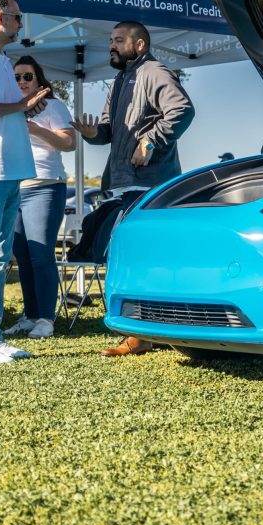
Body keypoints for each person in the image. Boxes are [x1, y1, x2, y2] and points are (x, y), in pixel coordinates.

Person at [72, 20, 194, 357]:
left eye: (118, 40)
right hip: (122, 184)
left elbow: (182, 110)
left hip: (149, 186)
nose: (111, 46)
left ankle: (142, 333)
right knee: (130, 256)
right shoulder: (120, 79)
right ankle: (144, 331)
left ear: (139, 45)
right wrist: (92, 134)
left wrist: (150, 142)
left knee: (139, 257)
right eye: (110, 40)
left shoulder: (154, 72)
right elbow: (109, 131)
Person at [0, 0, 50, 363]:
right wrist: (21, 105)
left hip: (10, 169)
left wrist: (25, 110)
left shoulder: (2, 60)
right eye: (18, 17)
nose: (21, 23)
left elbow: (3, 111)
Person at [4, 57, 75, 341]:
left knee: (41, 254)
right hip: (14, 188)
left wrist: (34, 128)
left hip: (45, 186)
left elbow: (69, 142)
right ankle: (31, 315)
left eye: (27, 76)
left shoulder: (52, 106)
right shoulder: (9, 109)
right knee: (22, 256)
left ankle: (46, 318)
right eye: (16, 77)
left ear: (38, 79)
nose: (22, 82)